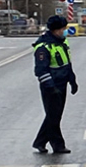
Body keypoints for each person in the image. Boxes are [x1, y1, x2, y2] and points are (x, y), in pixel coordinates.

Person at [32, 15, 77, 154]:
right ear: (55, 30)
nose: (65, 31)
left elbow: (66, 63)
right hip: (51, 87)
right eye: (63, 29)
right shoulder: (43, 47)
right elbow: (41, 70)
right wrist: (51, 87)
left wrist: (72, 80)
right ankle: (58, 145)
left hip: (62, 83)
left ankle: (39, 141)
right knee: (53, 116)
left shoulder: (62, 42)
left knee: (55, 115)